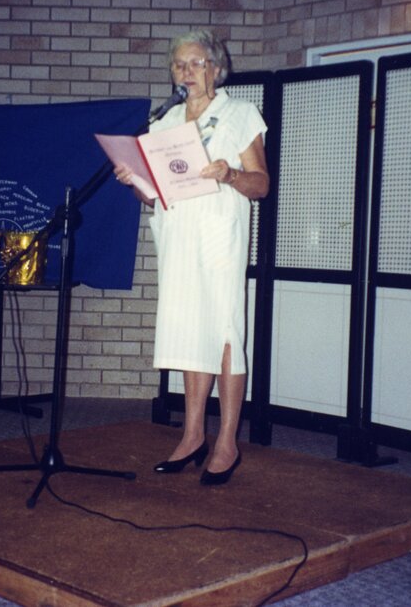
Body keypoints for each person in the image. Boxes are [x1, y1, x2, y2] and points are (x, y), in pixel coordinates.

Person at [114, 29, 269, 486]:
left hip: (219, 236)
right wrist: (135, 181)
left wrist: (230, 173)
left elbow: (261, 185)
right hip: (178, 237)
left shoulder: (239, 113)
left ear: (217, 69)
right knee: (188, 332)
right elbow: (156, 194)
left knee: (223, 333)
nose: (187, 72)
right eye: (179, 65)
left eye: (196, 62)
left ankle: (226, 442)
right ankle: (192, 436)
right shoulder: (164, 123)